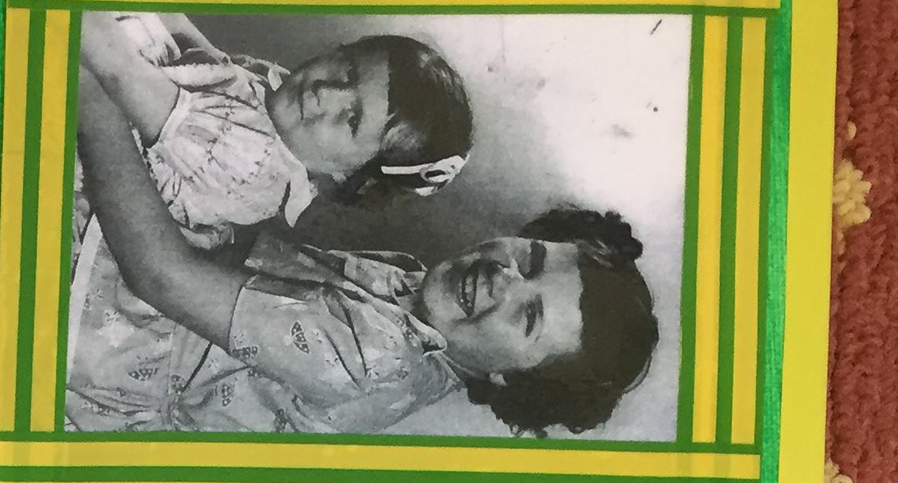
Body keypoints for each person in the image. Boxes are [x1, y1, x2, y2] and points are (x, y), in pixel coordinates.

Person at [75, 63, 659, 439]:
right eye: (530, 259)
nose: (503, 279)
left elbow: (160, 276)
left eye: (527, 317)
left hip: (107, 350)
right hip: (155, 290)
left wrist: (96, 96)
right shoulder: (422, 301)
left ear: (510, 381)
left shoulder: (378, 358)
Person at [66, 14, 473, 432]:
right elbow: (210, 58)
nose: (328, 93)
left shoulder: (251, 158)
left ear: (346, 177)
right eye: (347, 71)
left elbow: (116, 71)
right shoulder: (283, 109)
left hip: (91, 247)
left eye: (351, 119)